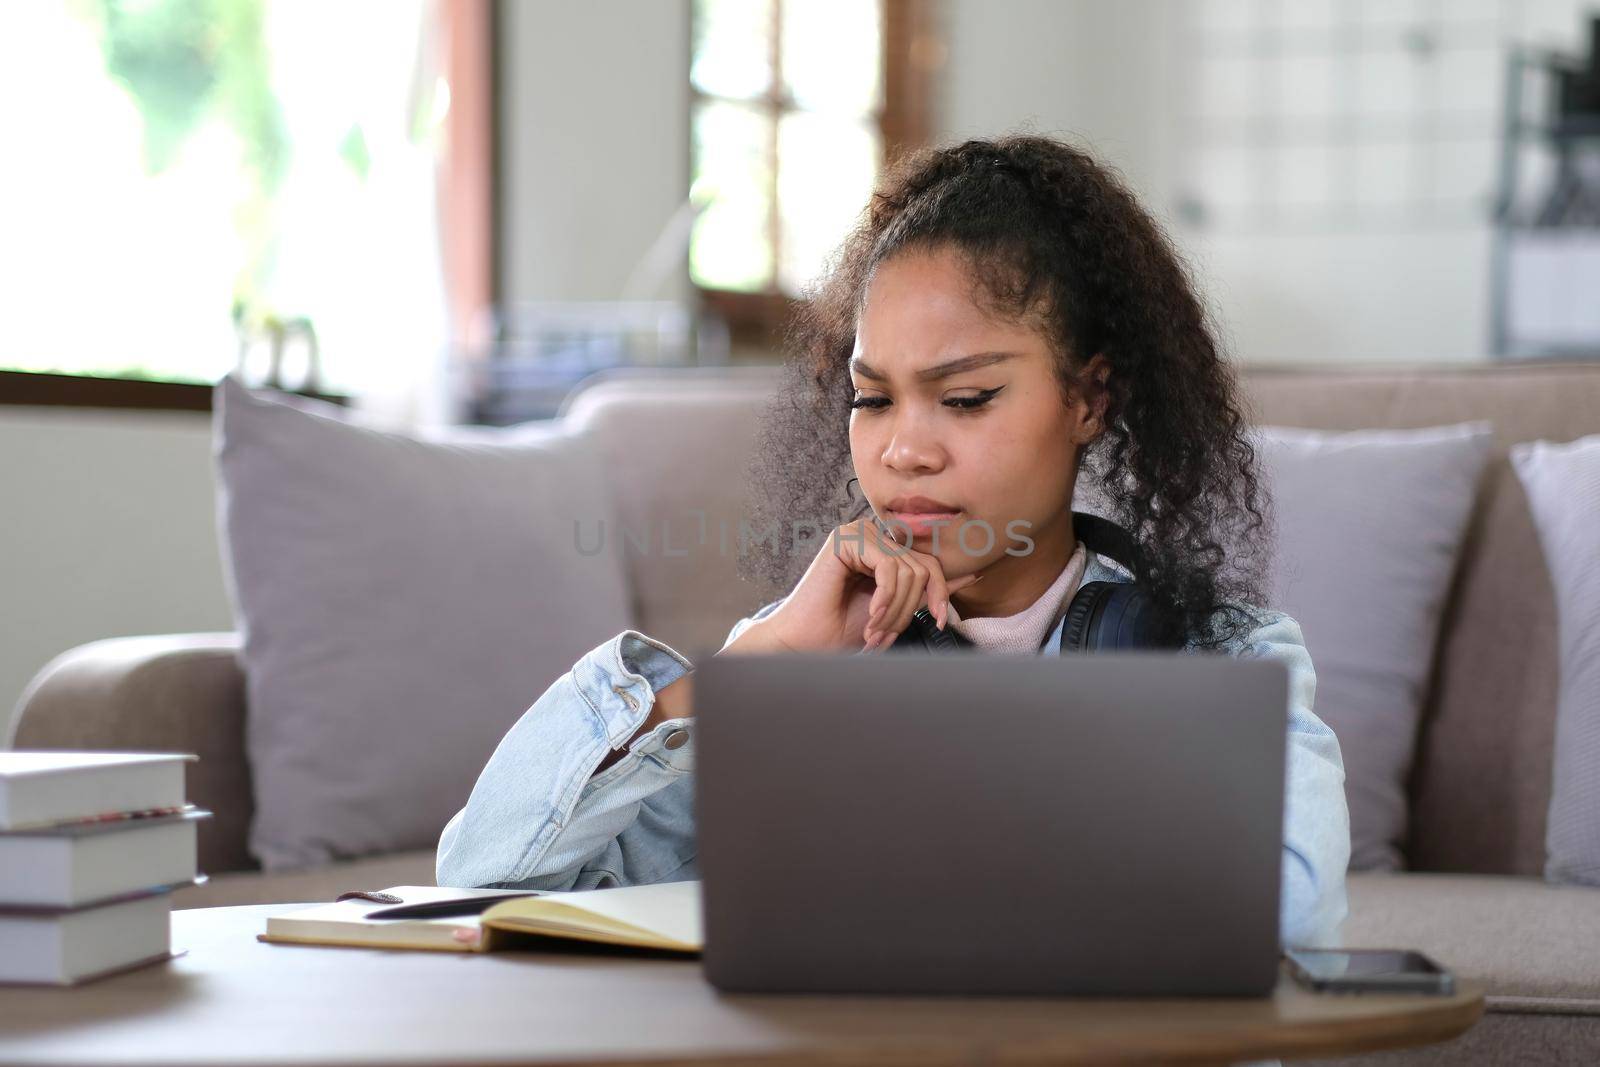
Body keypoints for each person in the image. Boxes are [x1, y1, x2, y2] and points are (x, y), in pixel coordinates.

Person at [435, 133, 1352, 951]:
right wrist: (745, 670)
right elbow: (484, 878)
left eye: (965, 398)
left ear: (1088, 400)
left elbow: (1288, 911)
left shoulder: (1226, 656)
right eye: (872, 399)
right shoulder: (794, 663)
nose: (904, 448)